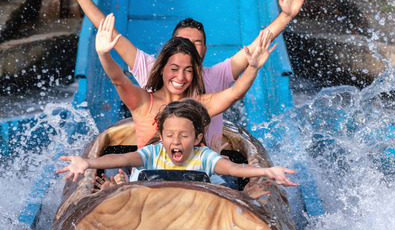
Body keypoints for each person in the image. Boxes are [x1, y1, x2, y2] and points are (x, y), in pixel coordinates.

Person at [60, 0, 312, 146]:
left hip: (204, 161)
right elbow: (111, 37)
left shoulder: (215, 80)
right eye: (183, 41)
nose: (189, 46)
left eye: (197, 42)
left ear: (205, 50)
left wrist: (286, 16)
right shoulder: (148, 77)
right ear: (171, 50)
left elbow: (254, 53)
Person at [96, 14, 274, 148]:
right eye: (174, 69)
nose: (180, 77)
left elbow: (236, 93)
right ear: (162, 68)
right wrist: (103, 54)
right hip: (149, 183)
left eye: (188, 71)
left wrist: (253, 68)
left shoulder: (200, 105)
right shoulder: (143, 102)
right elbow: (118, 79)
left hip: (193, 184)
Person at [57, 99, 299, 191]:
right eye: (169, 135)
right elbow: (120, 159)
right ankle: (116, 188)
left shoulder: (203, 157)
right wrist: (87, 162)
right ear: (161, 137)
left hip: (192, 211)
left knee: (225, 187)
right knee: (122, 183)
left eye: (184, 136)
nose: (176, 141)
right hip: (151, 208)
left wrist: (266, 171)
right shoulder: (154, 153)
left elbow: (235, 170)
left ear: (197, 139)